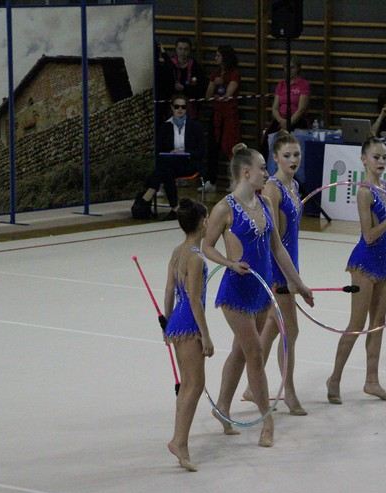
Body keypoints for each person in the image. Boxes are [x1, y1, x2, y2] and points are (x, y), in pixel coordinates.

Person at [202, 143, 313, 448]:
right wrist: (229, 263)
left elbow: (278, 249)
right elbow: (207, 245)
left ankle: (222, 408)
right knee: (255, 353)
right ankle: (267, 419)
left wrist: (299, 284)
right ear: (246, 172)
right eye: (262, 167)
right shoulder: (225, 208)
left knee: (241, 351)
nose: (266, 173)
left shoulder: (264, 204)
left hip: (264, 290)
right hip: (236, 290)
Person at [326, 137, 386, 404]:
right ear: (363, 159)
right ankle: (335, 378)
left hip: (383, 265)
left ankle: (372, 381)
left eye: (384, 157)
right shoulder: (364, 192)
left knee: (378, 325)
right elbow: (370, 235)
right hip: (364, 263)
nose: (381, 162)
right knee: (357, 324)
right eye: (376, 157)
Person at [241, 132, 307, 415]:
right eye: (287, 155)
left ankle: (250, 388)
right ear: (276, 158)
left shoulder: (294, 186)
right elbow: (273, 240)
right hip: (278, 270)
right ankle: (287, 390)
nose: (293, 160)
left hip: (290, 262)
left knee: (271, 329)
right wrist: (292, 279)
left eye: (297, 154)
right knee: (290, 330)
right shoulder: (273, 190)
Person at [162, 198, 213, 472]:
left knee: (188, 385)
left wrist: (166, 324)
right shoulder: (194, 257)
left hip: (178, 322)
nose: (209, 223)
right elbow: (195, 300)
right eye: (206, 218)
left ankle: (178, 440)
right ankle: (179, 441)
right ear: (201, 222)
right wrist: (206, 335)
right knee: (194, 385)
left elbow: (169, 290)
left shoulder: (177, 251)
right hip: (190, 323)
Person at [132, 95, 206, 220]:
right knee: (167, 168)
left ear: (186, 109)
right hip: (171, 163)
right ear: (172, 108)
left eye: (183, 107)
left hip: (189, 163)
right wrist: (171, 152)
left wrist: (184, 151)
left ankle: (148, 196)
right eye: (177, 106)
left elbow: (201, 151)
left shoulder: (195, 127)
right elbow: (159, 151)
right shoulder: (165, 127)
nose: (180, 109)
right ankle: (174, 208)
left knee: (164, 168)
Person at [204, 45, 241, 194]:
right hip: (216, 114)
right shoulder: (215, 73)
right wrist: (214, 83)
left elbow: (228, 94)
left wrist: (221, 83)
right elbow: (207, 95)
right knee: (212, 147)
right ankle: (210, 181)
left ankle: (234, 182)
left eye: (218, 55)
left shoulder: (234, 74)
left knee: (231, 148)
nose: (215, 58)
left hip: (229, 115)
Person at [261, 57, 310, 159]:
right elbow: (275, 107)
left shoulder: (303, 84)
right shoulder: (281, 85)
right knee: (266, 141)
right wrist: (281, 120)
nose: (289, 70)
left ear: (298, 69)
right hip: (281, 119)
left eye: (292, 67)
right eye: (286, 67)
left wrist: (289, 123)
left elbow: (301, 109)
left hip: (296, 119)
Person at [169, 37, 206, 118]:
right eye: (180, 49)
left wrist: (184, 88)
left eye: (186, 49)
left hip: (190, 106)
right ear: (176, 49)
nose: (183, 52)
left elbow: (201, 87)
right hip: (171, 105)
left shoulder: (195, 67)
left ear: (190, 51)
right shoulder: (169, 65)